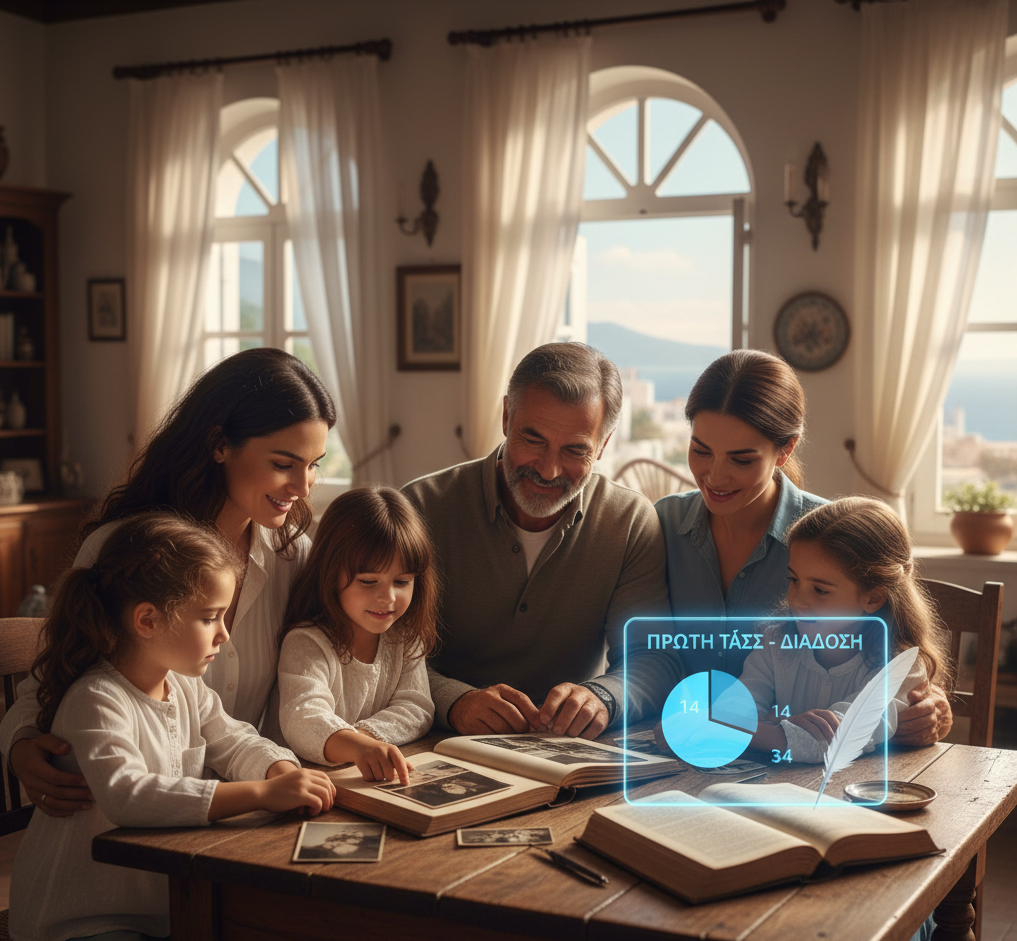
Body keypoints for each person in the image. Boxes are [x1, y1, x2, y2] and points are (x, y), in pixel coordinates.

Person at [0, 347, 337, 818]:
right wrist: (21, 743)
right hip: (120, 832)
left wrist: (279, 771)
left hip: (249, 817)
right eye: (284, 464)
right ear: (220, 443)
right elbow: (60, 672)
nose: (303, 488)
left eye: (314, 464)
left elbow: (298, 692)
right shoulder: (125, 547)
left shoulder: (293, 555)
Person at [9, 513, 336, 941]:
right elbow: (129, 795)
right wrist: (262, 794)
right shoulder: (96, 699)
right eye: (210, 618)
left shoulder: (182, 685)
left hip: (161, 907)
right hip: (82, 920)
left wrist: (280, 770)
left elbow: (233, 740)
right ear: (147, 620)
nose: (224, 635)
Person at [655, 349, 952, 746]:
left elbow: (894, 646)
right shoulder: (662, 524)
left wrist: (927, 706)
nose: (714, 476)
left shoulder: (831, 539)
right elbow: (643, 652)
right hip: (678, 749)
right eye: (701, 450)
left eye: (741, 460)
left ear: (786, 449)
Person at [403, 342, 676, 740]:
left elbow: (653, 660)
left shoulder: (630, 522)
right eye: (533, 440)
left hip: (568, 751)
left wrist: (604, 696)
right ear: (506, 417)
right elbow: (380, 653)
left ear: (603, 444)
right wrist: (454, 701)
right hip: (434, 742)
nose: (549, 470)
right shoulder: (420, 508)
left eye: (575, 450)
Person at [738, 497, 953, 763]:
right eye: (794, 580)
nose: (797, 601)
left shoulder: (901, 667)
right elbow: (732, 711)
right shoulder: (775, 641)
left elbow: (826, 744)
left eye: (820, 590)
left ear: (873, 598)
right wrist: (776, 726)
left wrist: (765, 724)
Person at [270, 486, 438, 786]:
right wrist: (359, 747)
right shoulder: (307, 642)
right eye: (369, 581)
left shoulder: (404, 637)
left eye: (402, 581)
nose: (387, 597)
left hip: (351, 781)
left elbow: (416, 707)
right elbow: (303, 718)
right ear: (332, 573)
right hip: (295, 785)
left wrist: (364, 739)